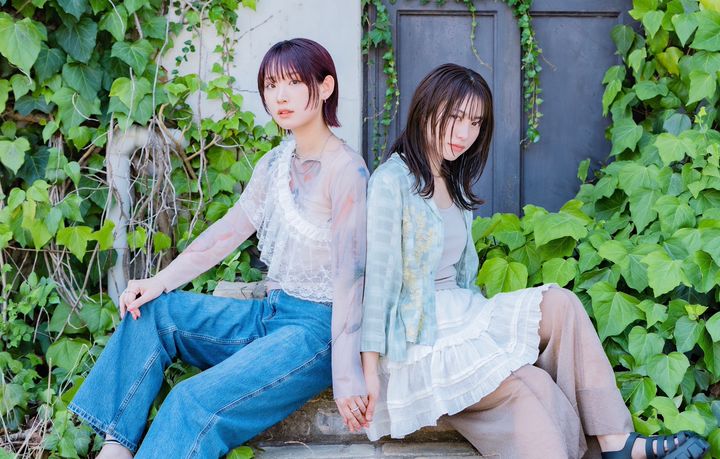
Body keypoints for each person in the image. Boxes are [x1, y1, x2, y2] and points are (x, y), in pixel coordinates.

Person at [359, 63, 709, 459]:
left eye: (475, 122)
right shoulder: (391, 182)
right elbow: (379, 285)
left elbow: (463, 279)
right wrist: (369, 373)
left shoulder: (452, 180)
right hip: (420, 341)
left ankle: (615, 442)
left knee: (560, 304)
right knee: (531, 388)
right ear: (425, 109)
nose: (464, 134)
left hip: (461, 315)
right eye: (455, 117)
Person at [69, 38, 370, 458]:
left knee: (191, 400)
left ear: (325, 87)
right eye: (270, 85)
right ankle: (115, 447)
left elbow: (351, 277)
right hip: (270, 314)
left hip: (314, 333)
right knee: (154, 312)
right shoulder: (274, 163)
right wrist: (158, 282)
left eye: (292, 83)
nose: (279, 96)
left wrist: (348, 372)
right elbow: (226, 233)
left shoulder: (347, 170)